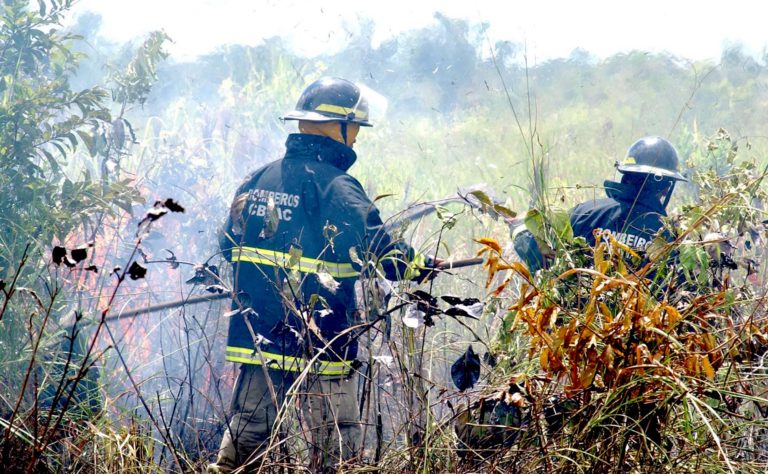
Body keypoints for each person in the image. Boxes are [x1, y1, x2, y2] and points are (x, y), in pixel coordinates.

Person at [209, 77, 435, 473]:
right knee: (335, 447)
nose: (356, 142)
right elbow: (386, 256)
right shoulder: (338, 186)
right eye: (355, 131)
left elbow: (228, 245)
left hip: (259, 335)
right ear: (338, 128)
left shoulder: (258, 178)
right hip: (322, 340)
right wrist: (419, 266)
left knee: (244, 441)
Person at [514, 136, 687, 273]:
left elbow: (532, 249)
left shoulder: (585, 212)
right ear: (665, 188)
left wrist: (519, 227)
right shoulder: (669, 237)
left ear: (625, 174)